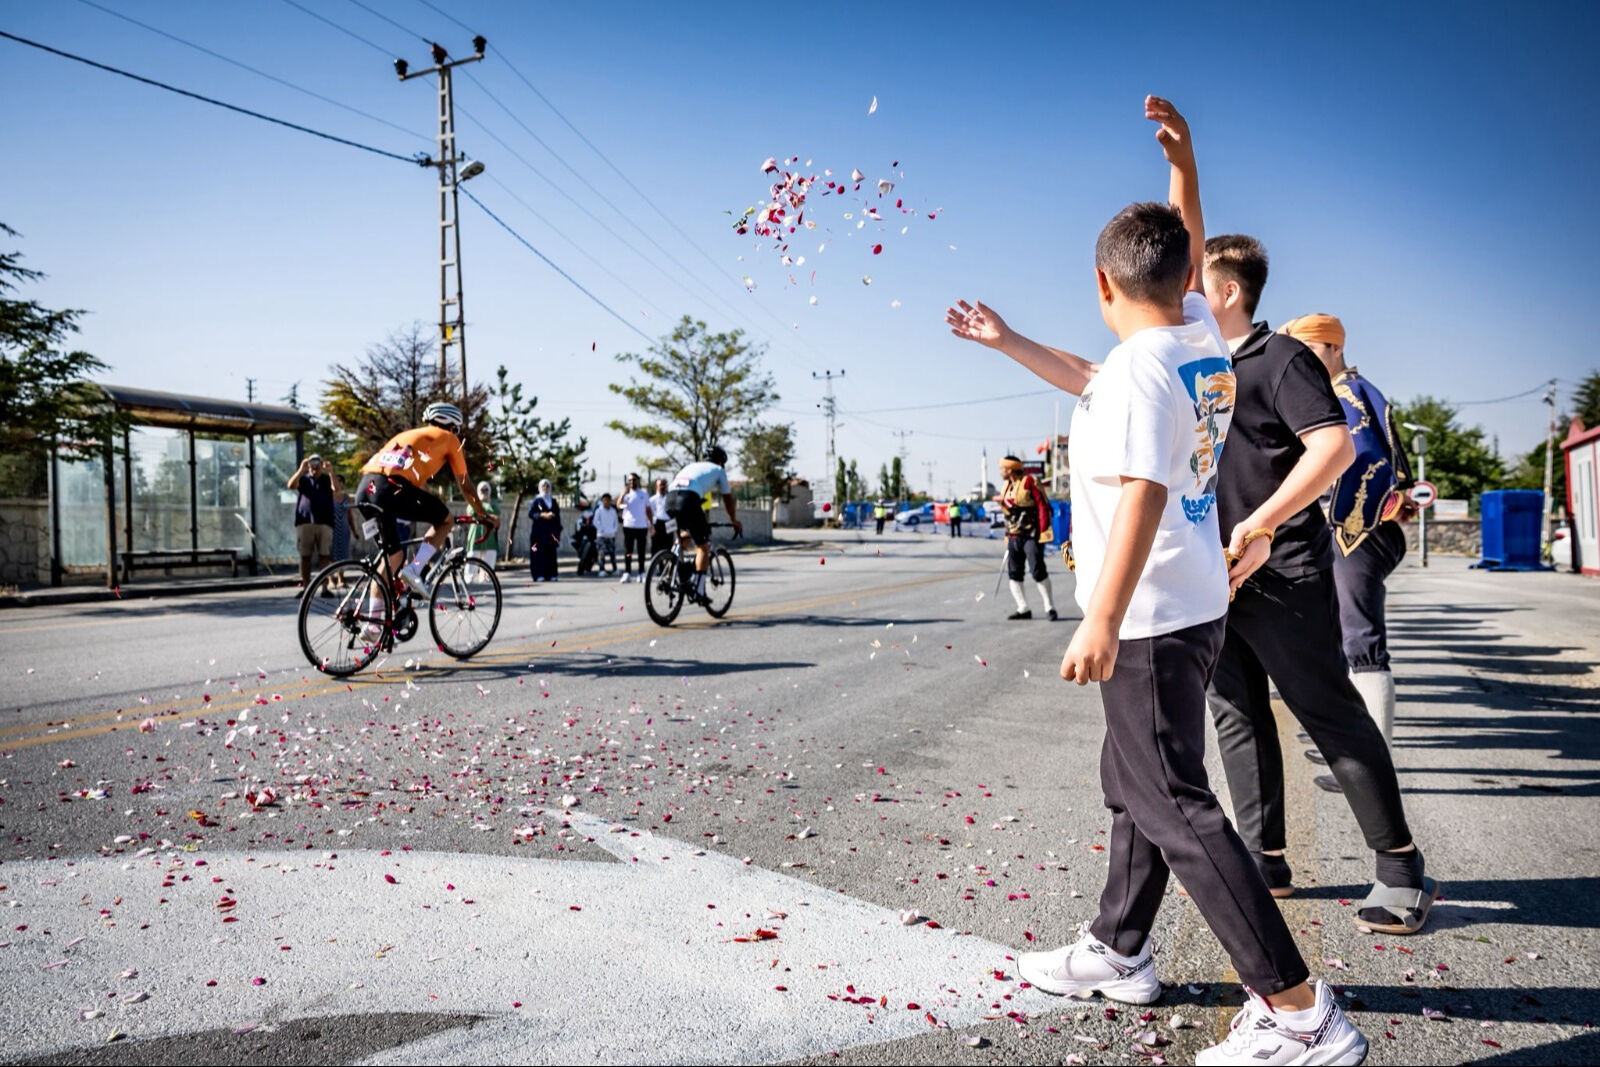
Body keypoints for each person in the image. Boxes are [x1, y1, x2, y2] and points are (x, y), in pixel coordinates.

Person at [946, 96, 1366, 1065]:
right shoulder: (1193, 346)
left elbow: (1136, 492)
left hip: (1145, 614)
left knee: (1170, 796)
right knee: (1133, 781)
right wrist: (1184, 166)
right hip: (1190, 604)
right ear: (1187, 281)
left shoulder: (1145, 369)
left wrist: (1096, 618)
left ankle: (1300, 1010)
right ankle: (1119, 945)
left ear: (1101, 280)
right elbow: (1104, 352)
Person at [1203, 233, 1436, 933]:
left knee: (1326, 710)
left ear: (1228, 292)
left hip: (1282, 571)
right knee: (1236, 715)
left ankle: (1401, 868)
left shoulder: (1282, 359)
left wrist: (1266, 523)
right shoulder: (1200, 369)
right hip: (1215, 575)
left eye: (1195, 282)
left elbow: (1332, 448)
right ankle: (1263, 858)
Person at [1281, 313, 1415, 790]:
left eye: (1311, 349)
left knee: (1362, 643)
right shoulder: (1354, 390)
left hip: (1360, 530)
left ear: (1334, 348)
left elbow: (1363, 463)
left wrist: (1343, 526)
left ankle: (1373, 765)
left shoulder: (1347, 393)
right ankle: (1357, 749)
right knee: (1345, 638)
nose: (1304, 360)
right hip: (1363, 527)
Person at [355, 402, 497, 597]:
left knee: (393, 557)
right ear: (452, 425)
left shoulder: (408, 436)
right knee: (445, 519)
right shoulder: (449, 438)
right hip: (391, 488)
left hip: (365, 488)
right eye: (456, 429)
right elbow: (466, 485)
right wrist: (483, 514)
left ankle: (373, 623)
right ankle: (415, 569)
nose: (455, 433)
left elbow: (412, 480)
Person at [665, 446, 743, 603]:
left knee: (684, 536)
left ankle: (672, 570)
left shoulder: (691, 466)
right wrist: (733, 520)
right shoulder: (718, 470)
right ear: (721, 461)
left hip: (670, 500)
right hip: (688, 500)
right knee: (703, 546)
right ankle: (699, 591)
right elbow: (727, 498)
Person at [997, 456, 1057, 621]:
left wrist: (1043, 530)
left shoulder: (1030, 481)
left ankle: (1049, 607)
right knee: (1014, 573)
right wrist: (1006, 534)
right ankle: (1023, 608)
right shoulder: (1006, 486)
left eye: (1003, 468)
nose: (1000, 471)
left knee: (1037, 570)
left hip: (1031, 535)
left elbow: (1042, 506)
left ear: (1010, 469)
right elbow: (1007, 514)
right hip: (1013, 536)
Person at [288, 453, 344, 591]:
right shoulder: (304, 479)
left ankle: (325, 588)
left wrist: (331, 472)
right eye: (312, 464)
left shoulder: (326, 479)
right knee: (305, 556)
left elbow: (337, 490)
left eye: (317, 464)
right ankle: (306, 588)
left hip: (324, 522)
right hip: (305, 521)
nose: (315, 467)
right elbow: (290, 485)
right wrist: (301, 469)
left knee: (324, 557)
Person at [619, 473, 652, 583]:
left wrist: (651, 524)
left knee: (641, 551)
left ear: (638, 480)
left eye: (634, 480)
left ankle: (641, 572)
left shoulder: (644, 494)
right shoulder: (626, 495)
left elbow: (648, 510)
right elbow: (618, 505)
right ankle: (627, 573)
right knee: (628, 551)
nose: (632, 482)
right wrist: (622, 495)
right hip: (628, 526)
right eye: (629, 480)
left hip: (641, 526)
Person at [528, 479, 561, 582]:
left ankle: (551, 574)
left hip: (551, 533)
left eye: (547, 486)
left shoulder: (553, 501)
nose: (545, 488)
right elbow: (531, 514)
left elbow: (557, 516)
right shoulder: (536, 500)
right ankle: (539, 575)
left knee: (551, 554)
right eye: (543, 486)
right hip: (539, 532)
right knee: (539, 554)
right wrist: (542, 515)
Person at [465, 479, 500, 571]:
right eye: (482, 490)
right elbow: (471, 512)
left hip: (489, 536)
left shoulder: (493, 504)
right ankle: (469, 580)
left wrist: (484, 514)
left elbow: (497, 516)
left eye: (486, 490)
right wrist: (488, 515)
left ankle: (487, 580)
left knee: (489, 559)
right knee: (472, 558)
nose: (484, 492)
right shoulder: (474, 502)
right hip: (475, 534)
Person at [593, 492, 620, 575]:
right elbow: (595, 522)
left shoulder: (613, 511)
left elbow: (616, 522)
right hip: (601, 536)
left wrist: (614, 530)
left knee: (612, 553)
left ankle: (615, 569)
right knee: (601, 553)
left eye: (608, 500)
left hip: (611, 535)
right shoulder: (599, 510)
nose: (606, 502)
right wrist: (602, 529)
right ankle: (601, 570)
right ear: (602, 501)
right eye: (605, 500)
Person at [649, 477, 673, 555]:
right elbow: (649, 513)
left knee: (669, 546)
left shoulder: (670, 498)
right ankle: (656, 565)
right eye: (660, 485)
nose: (662, 487)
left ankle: (668, 565)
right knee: (656, 547)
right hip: (658, 524)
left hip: (669, 523)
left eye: (664, 485)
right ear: (656, 486)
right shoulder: (652, 499)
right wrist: (651, 527)